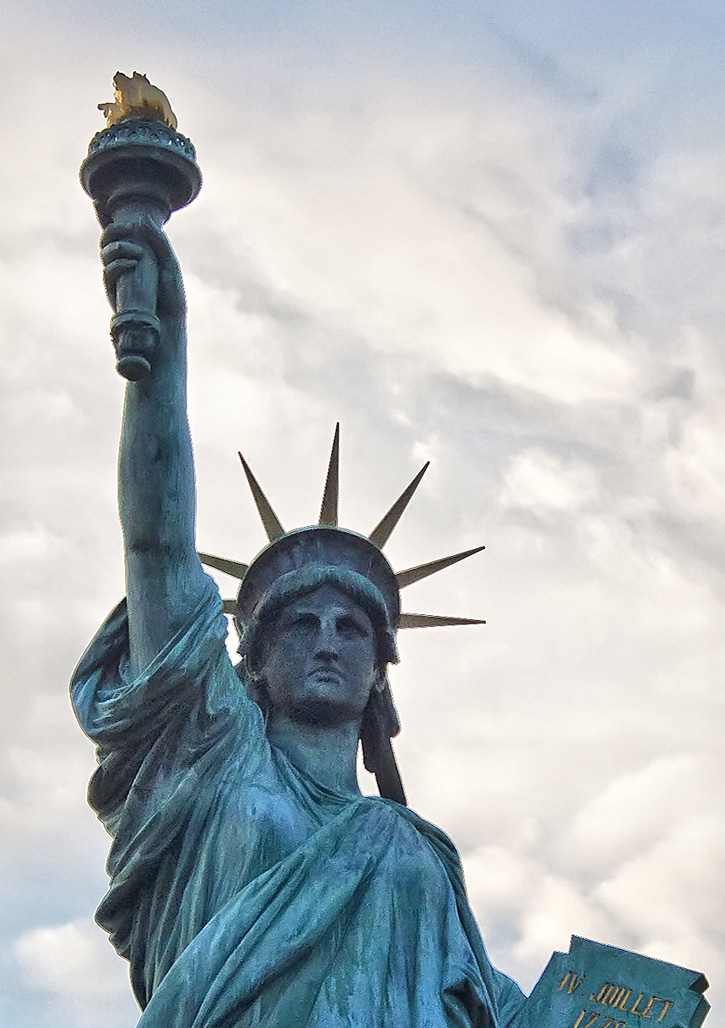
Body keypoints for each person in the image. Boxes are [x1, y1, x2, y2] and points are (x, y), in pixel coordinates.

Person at [71, 218, 526, 1027]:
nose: (325, 639)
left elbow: (492, 1008)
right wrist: (164, 349)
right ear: (253, 660)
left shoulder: (414, 850)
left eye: (351, 629)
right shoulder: (212, 758)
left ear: (380, 669)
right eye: (298, 625)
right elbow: (153, 543)